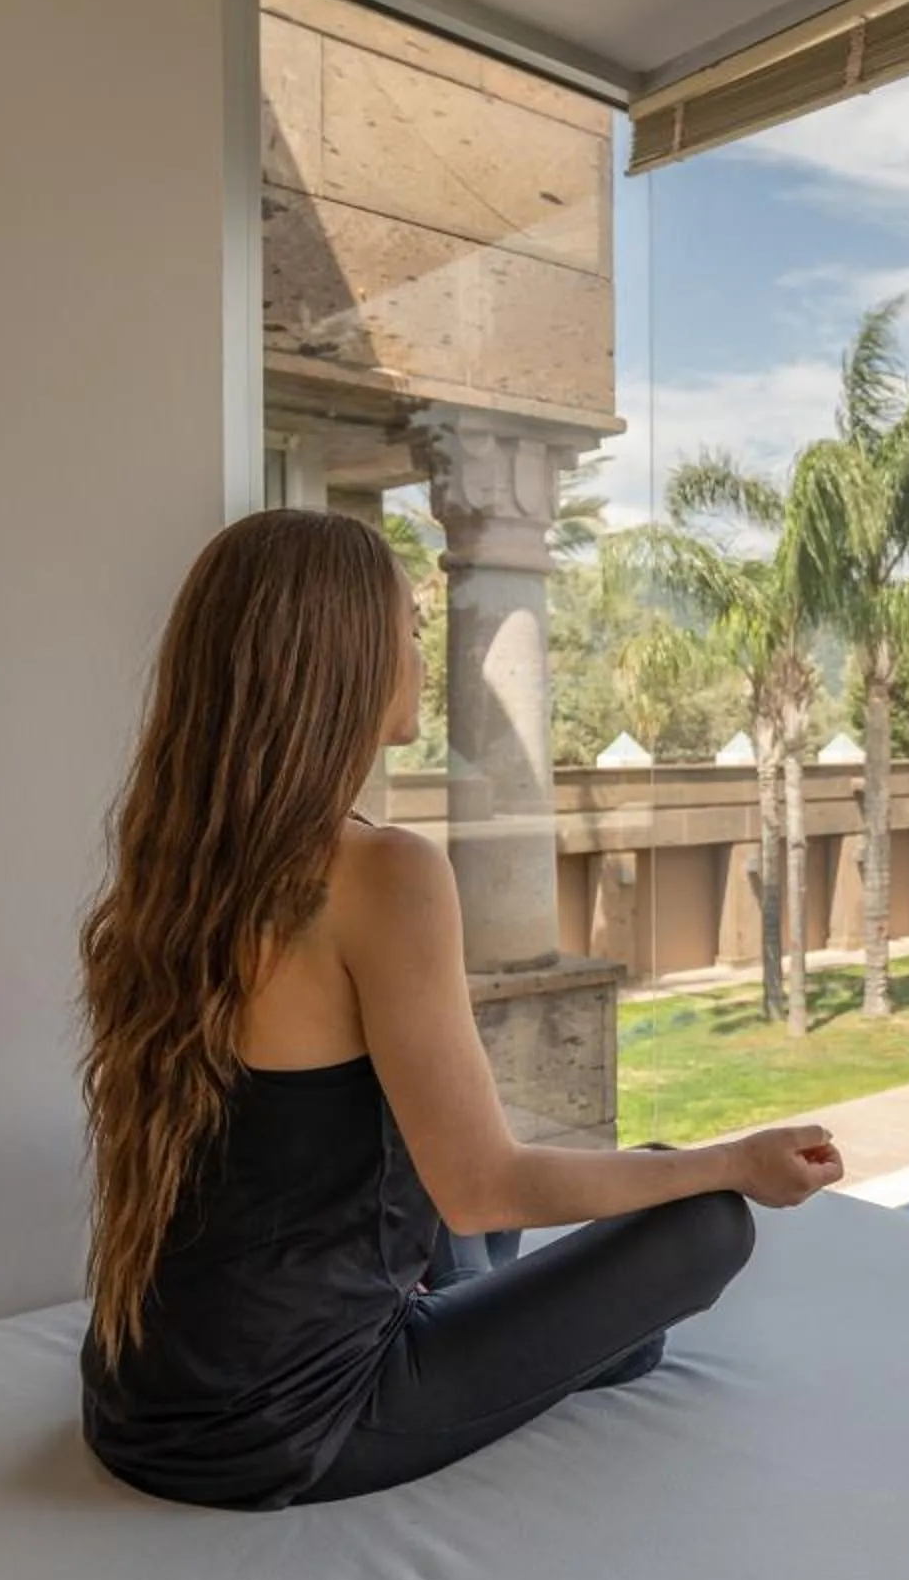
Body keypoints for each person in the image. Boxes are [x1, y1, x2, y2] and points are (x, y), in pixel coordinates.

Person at [77, 509, 841, 1509]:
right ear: (343, 659)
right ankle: (535, 1330)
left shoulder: (176, 868)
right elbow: (486, 1187)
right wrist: (737, 1162)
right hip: (288, 1422)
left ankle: (499, 1314)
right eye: (405, 631)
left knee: (568, 1199)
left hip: (137, 1396)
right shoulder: (381, 873)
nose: (420, 656)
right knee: (699, 1221)